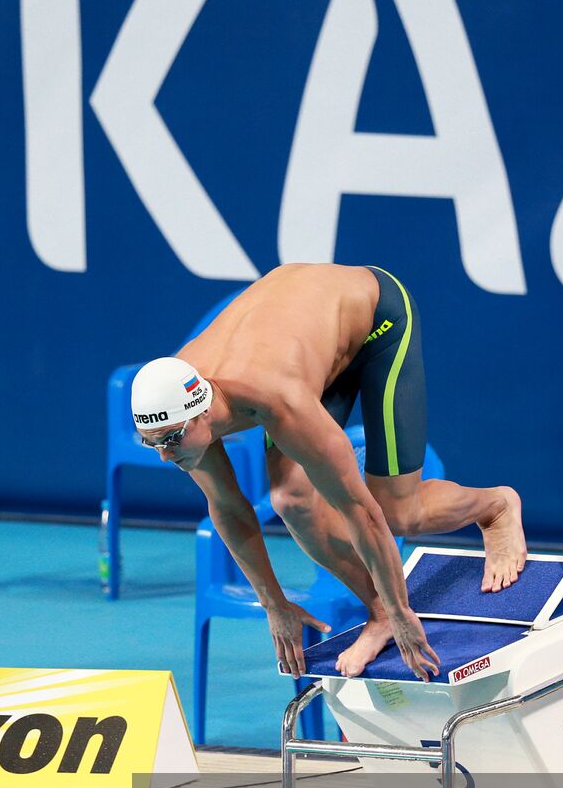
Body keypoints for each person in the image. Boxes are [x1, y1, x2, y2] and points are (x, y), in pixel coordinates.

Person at [131, 263, 527, 682]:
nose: (164, 456)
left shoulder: (277, 399)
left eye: (170, 440)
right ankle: (377, 613)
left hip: (375, 322)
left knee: (397, 512)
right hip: (305, 343)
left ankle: (496, 506)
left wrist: (403, 610)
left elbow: (361, 511)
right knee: (292, 499)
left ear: (204, 413)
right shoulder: (177, 399)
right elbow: (227, 507)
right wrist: (274, 604)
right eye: (152, 442)